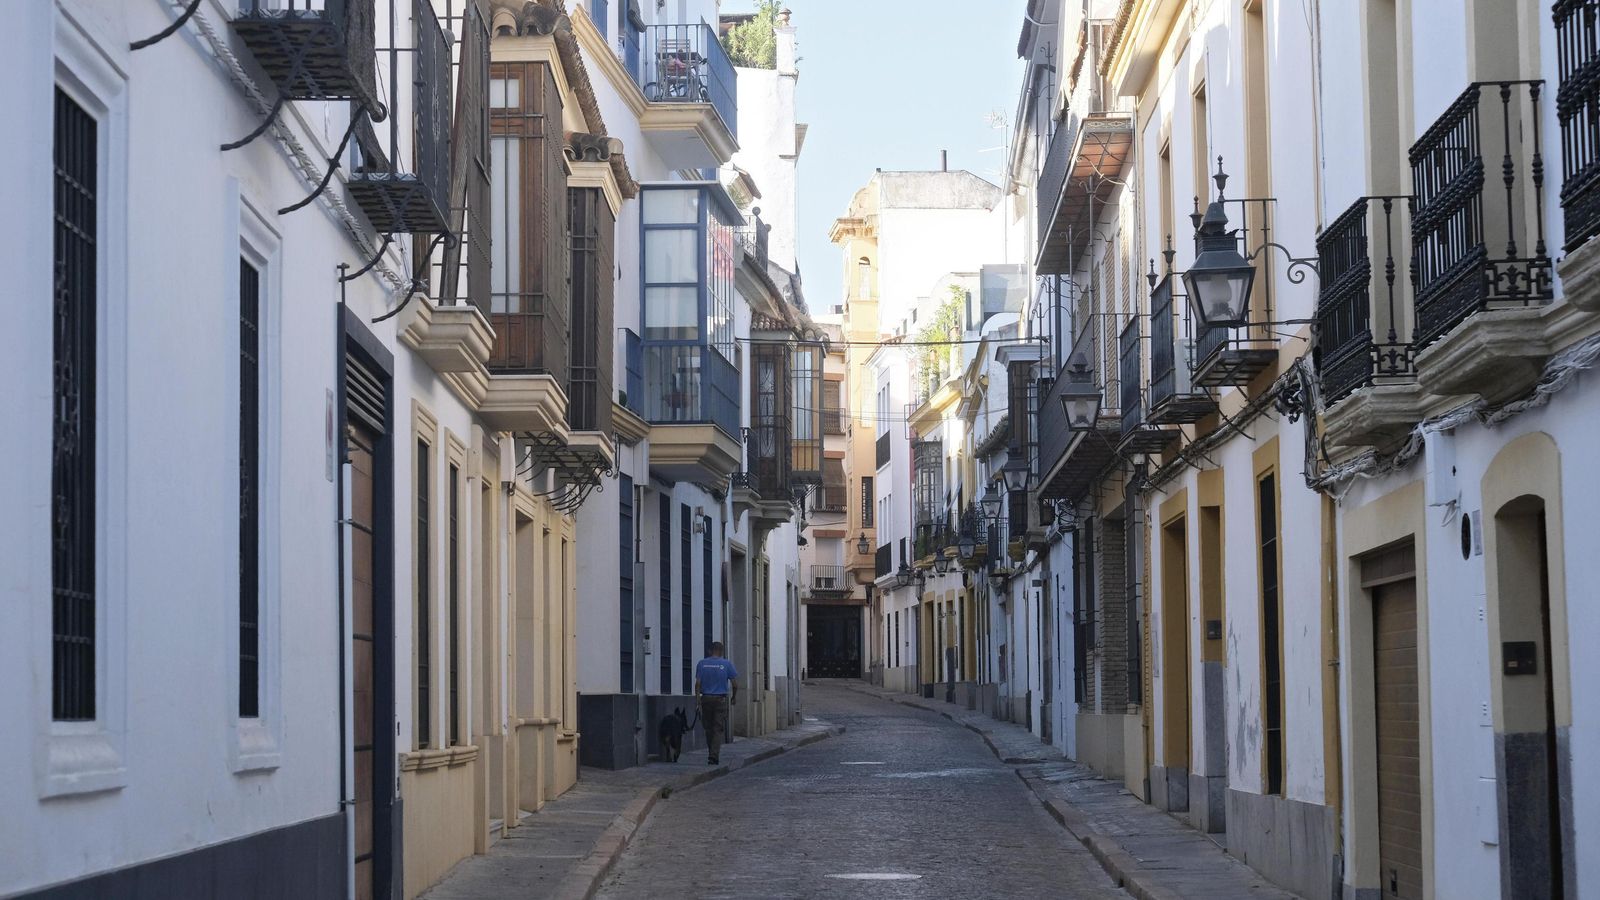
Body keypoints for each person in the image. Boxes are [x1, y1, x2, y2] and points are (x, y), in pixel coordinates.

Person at [694, 642, 738, 765]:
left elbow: (697, 684)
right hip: (720, 700)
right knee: (717, 729)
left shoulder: (701, 663)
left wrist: (698, 701)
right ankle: (713, 756)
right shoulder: (727, 664)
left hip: (706, 699)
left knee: (708, 728)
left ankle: (711, 752)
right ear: (721, 651)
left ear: (710, 650)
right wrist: (734, 697)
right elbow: (735, 684)